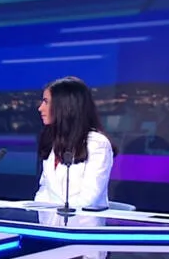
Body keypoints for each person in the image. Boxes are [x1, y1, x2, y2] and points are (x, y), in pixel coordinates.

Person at [34, 76, 115, 209]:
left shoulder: (97, 144)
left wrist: (57, 212)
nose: (40, 108)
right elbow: (44, 189)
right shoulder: (54, 140)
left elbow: (88, 199)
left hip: (81, 221)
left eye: (46, 102)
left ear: (65, 106)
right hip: (49, 220)